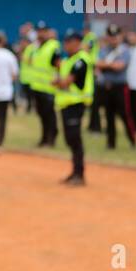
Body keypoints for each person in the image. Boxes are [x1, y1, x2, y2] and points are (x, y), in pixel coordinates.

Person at [50, 30, 93, 186]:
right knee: (70, 139)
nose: (65, 45)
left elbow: (66, 82)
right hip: (66, 104)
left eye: (69, 42)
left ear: (77, 42)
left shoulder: (81, 60)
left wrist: (57, 82)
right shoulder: (70, 59)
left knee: (75, 139)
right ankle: (75, 172)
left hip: (76, 103)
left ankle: (79, 174)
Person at [95, 24, 136, 149]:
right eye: (111, 36)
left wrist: (106, 65)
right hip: (107, 87)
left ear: (120, 36)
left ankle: (133, 140)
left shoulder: (124, 50)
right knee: (109, 116)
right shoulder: (104, 50)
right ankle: (110, 143)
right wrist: (110, 65)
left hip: (120, 87)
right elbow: (98, 64)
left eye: (116, 36)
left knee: (125, 115)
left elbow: (120, 66)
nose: (113, 39)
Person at [29, 23, 60, 146]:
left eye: (43, 31)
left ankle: (51, 138)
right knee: (41, 115)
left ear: (48, 32)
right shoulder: (36, 47)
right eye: (39, 31)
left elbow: (58, 65)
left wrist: (58, 80)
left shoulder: (53, 46)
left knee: (49, 115)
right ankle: (44, 138)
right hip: (37, 87)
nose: (41, 33)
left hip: (48, 88)